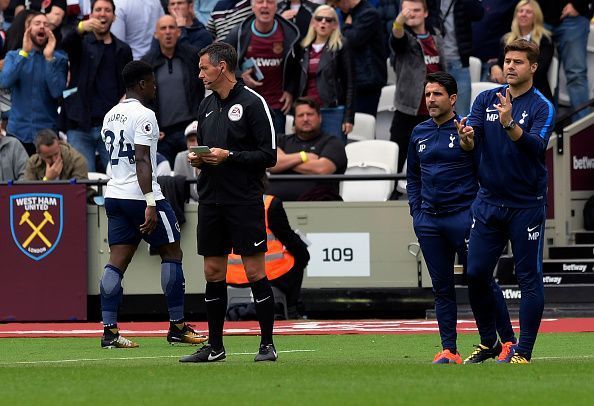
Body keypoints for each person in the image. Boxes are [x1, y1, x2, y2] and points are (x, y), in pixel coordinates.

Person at [407, 71, 516, 364]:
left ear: (452, 99)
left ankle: (506, 342)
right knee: (441, 287)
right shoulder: (419, 132)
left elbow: (484, 166)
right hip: (429, 221)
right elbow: (413, 178)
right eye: (428, 94)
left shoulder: (468, 129)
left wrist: (469, 143)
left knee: (481, 279)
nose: (430, 99)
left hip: (465, 216)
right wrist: (416, 213)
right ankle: (449, 350)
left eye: (437, 94)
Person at [458, 39, 555, 364]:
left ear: (533, 67)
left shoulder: (542, 105)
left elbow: (535, 148)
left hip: (526, 203)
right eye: (508, 61)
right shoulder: (486, 97)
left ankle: (523, 352)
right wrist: (467, 140)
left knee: (528, 277)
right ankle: (496, 343)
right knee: (476, 273)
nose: (510, 66)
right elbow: (471, 143)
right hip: (488, 201)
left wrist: (510, 124)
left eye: (518, 62)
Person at [98, 60, 206, 348]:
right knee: (172, 253)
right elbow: (144, 160)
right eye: (152, 82)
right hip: (142, 196)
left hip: (115, 194)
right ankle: (178, 327)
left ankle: (110, 332)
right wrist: (150, 202)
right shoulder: (145, 115)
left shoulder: (110, 114)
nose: (155, 87)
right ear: (142, 84)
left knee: (116, 262)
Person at [180, 42, 277, 363]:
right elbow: (211, 150)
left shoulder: (253, 103)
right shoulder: (206, 105)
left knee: (253, 270)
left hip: (244, 199)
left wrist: (230, 156)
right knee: (212, 271)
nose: (200, 74)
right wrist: (202, 159)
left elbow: (269, 155)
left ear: (222, 67)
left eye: (204, 68)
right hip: (211, 199)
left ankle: (267, 344)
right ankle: (216, 346)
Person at [61, 0, 133, 173]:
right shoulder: (81, 42)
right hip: (80, 125)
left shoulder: (122, 49)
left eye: (107, 10)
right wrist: (80, 27)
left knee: (118, 178)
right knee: (85, 181)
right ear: (91, 14)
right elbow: (66, 43)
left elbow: (129, 85)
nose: (102, 13)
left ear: (114, 17)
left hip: (112, 128)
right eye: (98, 9)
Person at [226, 193, 310, 319]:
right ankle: (291, 308)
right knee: (299, 258)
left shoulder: (222, 202)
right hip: (268, 275)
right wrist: (304, 254)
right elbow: (287, 237)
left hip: (232, 275)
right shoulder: (270, 203)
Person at [224, 0, 300, 136]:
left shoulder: (289, 33)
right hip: (246, 104)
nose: (265, 5)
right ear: (252, 7)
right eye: (260, 2)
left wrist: (290, 90)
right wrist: (241, 76)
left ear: (276, 7)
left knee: (275, 153)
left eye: (270, 2)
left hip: (276, 105)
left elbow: (297, 66)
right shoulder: (238, 33)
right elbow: (223, 64)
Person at [0, 11, 67, 155]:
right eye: (37, 23)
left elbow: (57, 92)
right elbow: (5, 81)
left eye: (46, 24)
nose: (42, 27)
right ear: (28, 29)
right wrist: (24, 53)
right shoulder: (14, 56)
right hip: (18, 133)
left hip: (47, 135)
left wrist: (49, 59)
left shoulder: (59, 59)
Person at [389, 0, 443, 174]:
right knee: (397, 158)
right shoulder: (404, 38)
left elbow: (444, 69)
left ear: (425, 13)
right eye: (407, 11)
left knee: (431, 162)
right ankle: (391, 197)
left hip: (433, 111)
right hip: (407, 111)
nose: (411, 14)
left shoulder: (436, 37)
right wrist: (399, 21)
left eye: (416, 10)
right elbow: (397, 37)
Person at [142, 15, 203, 166]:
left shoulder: (193, 57)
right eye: (163, 28)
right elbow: (143, 99)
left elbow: (201, 90)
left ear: (179, 32)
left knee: (196, 174)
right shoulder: (146, 63)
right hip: (162, 136)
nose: (168, 32)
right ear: (156, 34)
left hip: (190, 131)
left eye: (171, 27)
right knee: (165, 181)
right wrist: (152, 128)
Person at [267, 97, 347, 201]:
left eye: (310, 114)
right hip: (275, 207)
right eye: (300, 115)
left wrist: (285, 161)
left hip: (317, 206)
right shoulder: (281, 140)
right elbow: (271, 163)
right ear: (294, 120)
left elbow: (322, 169)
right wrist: (303, 156)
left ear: (320, 117)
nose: (305, 119)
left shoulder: (333, 143)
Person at [297, 4, 355, 142]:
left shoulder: (342, 46)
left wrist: (348, 117)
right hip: (307, 111)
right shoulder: (303, 47)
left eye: (329, 20)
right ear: (313, 22)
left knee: (333, 156)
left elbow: (350, 84)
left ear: (335, 25)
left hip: (332, 110)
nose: (323, 22)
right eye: (319, 18)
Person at [426, 0, 484, 117]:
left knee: (462, 114)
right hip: (435, 62)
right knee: (433, 113)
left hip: (459, 62)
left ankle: (460, 136)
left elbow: (478, 14)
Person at [536, 0, 593, 120]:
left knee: (576, 74)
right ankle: (548, 125)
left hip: (573, 17)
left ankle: (582, 131)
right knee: (538, 72)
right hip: (539, 17)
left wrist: (578, 5)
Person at [329, 0, 387, 116]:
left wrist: (346, 27)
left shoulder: (369, 14)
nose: (337, 8)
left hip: (367, 82)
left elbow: (350, 40)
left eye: (337, 4)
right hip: (351, 81)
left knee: (362, 125)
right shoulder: (346, 14)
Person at [490, 0, 554, 102]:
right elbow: (500, 62)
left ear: (536, 16)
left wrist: (509, 73)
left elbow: (540, 69)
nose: (523, 14)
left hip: (536, 91)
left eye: (528, 12)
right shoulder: (507, 39)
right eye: (521, 11)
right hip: (508, 91)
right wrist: (495, 67)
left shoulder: (545, 39)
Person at [173, 120, 199, 202]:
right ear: (186, 143)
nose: (196, 144)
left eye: (199, 139)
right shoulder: (180, 157)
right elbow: (178, 189)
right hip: (189, 204)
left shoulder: (214, 157)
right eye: (191, 140)